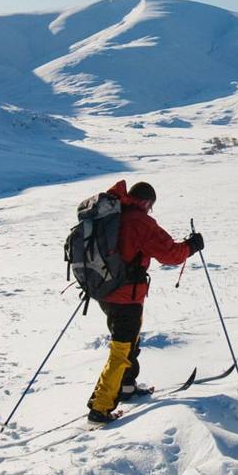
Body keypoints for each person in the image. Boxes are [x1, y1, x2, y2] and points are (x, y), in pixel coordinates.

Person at [87, 180, 203, 423]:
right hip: (126, 295)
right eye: (151, 206)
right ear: (146, 202)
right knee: (122, 349)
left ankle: (127, 387)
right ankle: (100, 407)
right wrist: (191, 246)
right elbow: (169, 253)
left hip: (106, 291)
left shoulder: (115, 216)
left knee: (129, 342)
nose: (150, 210)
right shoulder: (139, 222)